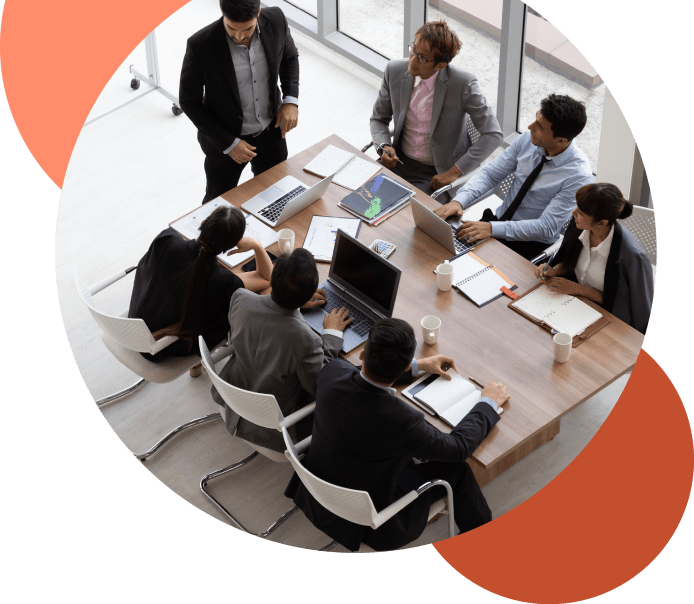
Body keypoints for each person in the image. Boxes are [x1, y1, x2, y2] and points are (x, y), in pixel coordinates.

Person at [285, 318, 510, 551]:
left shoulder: (331, 373)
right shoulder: (401, 420)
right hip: (373, 523)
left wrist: (419, 365)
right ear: (403, 367)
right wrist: (488, 403)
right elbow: (458, 448)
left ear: (363, 354)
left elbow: (352, 373)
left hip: (316, 494)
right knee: (457, 469)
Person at [211, 248, 352, 451]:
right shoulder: (306, 340)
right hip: (271, 426)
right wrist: (332, 334)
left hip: (232, 395)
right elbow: (319, 385)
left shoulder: (240, 298)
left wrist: (293, 301)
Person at [179, 0, 300, 203]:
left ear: (259, 13)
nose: (239, 36)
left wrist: (290, 100)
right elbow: (189, 101)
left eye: (247, 29)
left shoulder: (276, 20)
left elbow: (290, 57)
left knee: (277, 197)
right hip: (225, 143)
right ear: (222, 13)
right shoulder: (201, 45)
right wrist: (229, 143)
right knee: (217, 206)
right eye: (231, 28)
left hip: (271, 132)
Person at [435, 93, 593, 260]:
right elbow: (490, 175)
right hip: (495, 223)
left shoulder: (579, 176)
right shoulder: (528, 139)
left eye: (539, 127)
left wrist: (492, 229)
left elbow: (546, 227)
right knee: (441, 255)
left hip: (529, 244)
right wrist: (459, 200)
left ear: (561, 140)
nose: (530, 127)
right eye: (535, 119)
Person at [369, 20, 502, 199]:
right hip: (397, 161)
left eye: (422, 58)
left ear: (440, 65)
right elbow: (378, 119)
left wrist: (455, 172)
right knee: (362, 199)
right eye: (413, 49)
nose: (413, 60)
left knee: (406, 220)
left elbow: (493, 134)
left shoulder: (463, 84)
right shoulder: (394, 70)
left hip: (435, 174)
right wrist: (384, 146)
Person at [128, 206, 273, 365]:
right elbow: (265, 277)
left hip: (132, 327)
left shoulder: (167, 240)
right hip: (159, 349)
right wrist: (256, 245)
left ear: (203, 223)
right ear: (231, 245)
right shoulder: (224, 282)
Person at [535, 183, 654, 334]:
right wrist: (554, 270)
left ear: (602, 223)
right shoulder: (579, 226)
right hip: (573, 305)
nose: (573, 213)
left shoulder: (632, 257)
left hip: (608, 320)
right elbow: (571, 261)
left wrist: (578, 289)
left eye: (580, 213)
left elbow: (631, 306)